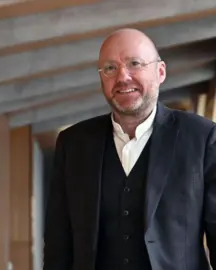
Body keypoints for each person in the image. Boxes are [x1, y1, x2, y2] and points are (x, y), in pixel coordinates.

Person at [43, 28, 216, 270]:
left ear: (161, 72)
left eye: (135, 63)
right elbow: (57, 245)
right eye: (110, 68)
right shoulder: (73, 144)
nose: (123, 77)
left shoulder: (201, 137)